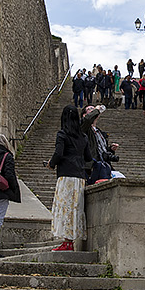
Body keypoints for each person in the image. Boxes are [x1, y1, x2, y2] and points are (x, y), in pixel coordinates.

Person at [48, 104, 91, 251]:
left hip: (66, 175)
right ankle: (70, 240)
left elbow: (59, 153)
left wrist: (51, 164)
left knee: (65, 207)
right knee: (75, 208)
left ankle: (67, 242)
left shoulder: (62, 134)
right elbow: (88, 157)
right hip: (79, 176)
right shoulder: (83, 137)